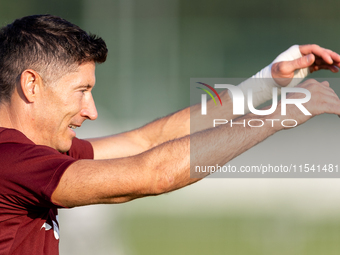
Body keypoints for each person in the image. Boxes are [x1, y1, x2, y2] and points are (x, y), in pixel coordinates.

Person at [0, 14, 340, 255]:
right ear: (31, 84)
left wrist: (267, 83)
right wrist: (279, 115)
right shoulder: (12, 161)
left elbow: (147, 140)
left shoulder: (36, 153)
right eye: (82, 90)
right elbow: (153, 174)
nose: (92, 111)